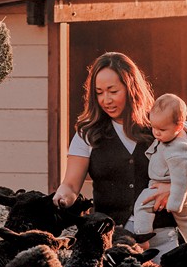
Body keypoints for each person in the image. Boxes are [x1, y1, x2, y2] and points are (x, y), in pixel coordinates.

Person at [52, 52, 179, 255]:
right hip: (112, 242)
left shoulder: (160, 126)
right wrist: (61, 198)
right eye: (99, 92)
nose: (106, 100)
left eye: (113, 91)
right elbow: (70, 185)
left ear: (131, 89)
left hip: (163, 238)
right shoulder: (87, 134)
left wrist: (172, 185)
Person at [133, 92, 187, 244]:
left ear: (179, 126)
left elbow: (180, 180)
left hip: (165, 188)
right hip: (184, 194)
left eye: (162, 130)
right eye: (153, 128)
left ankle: (142, 240)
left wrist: (174, 203)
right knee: (185, 219)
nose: (156, 133)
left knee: (141, 207)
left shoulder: (176, 152)